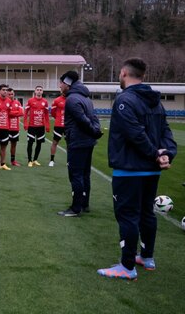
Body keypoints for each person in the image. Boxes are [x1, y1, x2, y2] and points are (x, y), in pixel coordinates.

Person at [97, 58, 177, 280]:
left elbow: (135, 134)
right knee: (145, 214)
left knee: (128, 216)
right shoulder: (156, 102)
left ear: (123, 73)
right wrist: (166, 154)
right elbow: (166, 133)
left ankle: (127, 266)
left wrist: (156, 154)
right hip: (151, 171)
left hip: (130, 169)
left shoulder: (125, 100)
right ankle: (147, 257)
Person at [57, 71, 103, 217]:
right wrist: (96, 130)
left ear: (68, 83)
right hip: (88, 141)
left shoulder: (72, 99)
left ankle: (76, 208)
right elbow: (94, 118)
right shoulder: (86, 99)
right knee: (85, 174)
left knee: (76, 175)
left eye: (61, 83)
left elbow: (82, 120)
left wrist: (94, 131)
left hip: (78, 141)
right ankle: (84, 204)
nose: (60, 86)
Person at [24, 86, 50, 167]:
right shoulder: (30, 100)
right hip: (32, 126)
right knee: (30, 143)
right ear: (35, 91)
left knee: (39, 144)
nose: (39, 91)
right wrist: (25, 123)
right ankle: (29, 160)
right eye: (37, 90)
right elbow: (26, 112)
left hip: (41, 127)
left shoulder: (45, 102)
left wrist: (47, 125)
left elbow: (46, 114)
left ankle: (35, 160)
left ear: (42, 92)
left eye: (40, 90)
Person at [49, 92, 67, 167]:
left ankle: (69, 161)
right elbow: (52, 113)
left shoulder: (71, 99)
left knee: (69, 144)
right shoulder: (57, 100)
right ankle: (52, 160)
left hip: (68, 125)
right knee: (55, 142)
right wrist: (59, 118)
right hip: (58, 125)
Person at [7, 88, 23, 166]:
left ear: (14, 94)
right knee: (4, 145)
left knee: (14, 145)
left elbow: (21, 113)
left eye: (12, 94)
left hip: (15, 128)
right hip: (7, 128)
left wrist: (12, 113)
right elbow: (7, 113)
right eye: (9, 94)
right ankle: (2, 161)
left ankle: (13, 161)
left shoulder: (18, 103)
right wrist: (16, 113)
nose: (10, 96)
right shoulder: (6, 103)